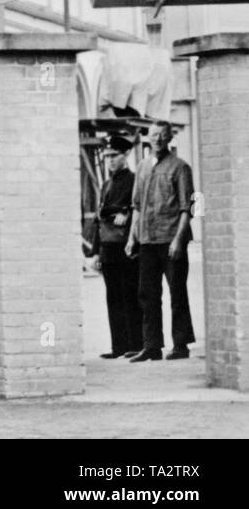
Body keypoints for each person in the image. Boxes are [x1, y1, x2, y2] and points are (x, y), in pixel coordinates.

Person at [125, 123, 195, 361]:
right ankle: (152, 346)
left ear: (169, 138)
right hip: (147, 239)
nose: (158, 139)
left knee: (177, 293)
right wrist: (131, 237)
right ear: (147, 137)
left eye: (163, 135)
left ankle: (181, 345)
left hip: (171, 240)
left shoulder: (181, 167)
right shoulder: (143, 167)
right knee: (148, 294)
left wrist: (178, 240)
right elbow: (136, 206)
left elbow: (187, 208)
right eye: (154, 135)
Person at [95, 135, 143, 359]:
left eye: (114, 156)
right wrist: (96, 252)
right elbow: (100, 218)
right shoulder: (106, 184)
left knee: (130, 296)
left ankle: (135, 344)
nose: (110, 160)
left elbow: (138, 210)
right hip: (108, 247)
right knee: (113, 298)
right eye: (107, 157)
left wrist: (124, 212)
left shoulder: (134, 181)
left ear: (126, 155)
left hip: (126, 246)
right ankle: (119, 346)